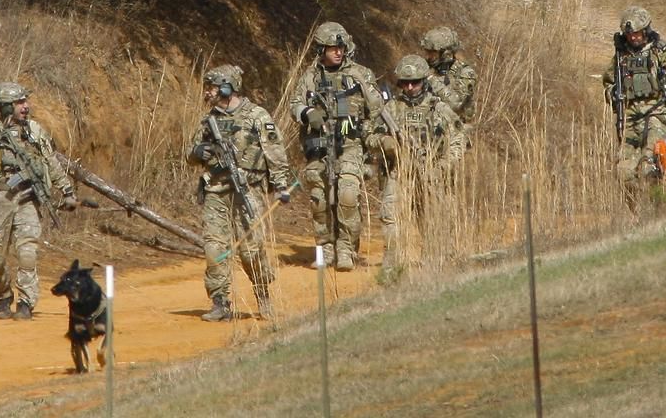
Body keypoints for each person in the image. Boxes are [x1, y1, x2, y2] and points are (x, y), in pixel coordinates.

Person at [187, 65, 293, 322]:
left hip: (249, 190)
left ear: (227, 87)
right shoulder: (208, 120)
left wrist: (280, 186)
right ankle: (220, 302)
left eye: (212, 87)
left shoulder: (256, 116)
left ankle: (262, 292)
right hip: (216, 190)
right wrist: (198, 152)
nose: (208, 92)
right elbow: (191, 153)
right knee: (214, 248)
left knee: (250, 249)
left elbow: (275, 153)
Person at [289, 21, 384, 272]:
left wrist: (371, 138)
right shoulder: (310, 77)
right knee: (320, 199)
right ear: (321, 50)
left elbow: (377, 109)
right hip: (319, 146)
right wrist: (308, 112)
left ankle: (346, 248)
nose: (338, 52)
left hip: (351, 145)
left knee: (347, 195)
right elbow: (294, 105)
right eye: (332, 48)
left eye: (340, 47)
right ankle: (325, 248)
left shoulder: (360, 74)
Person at [0, 81, 78, 320]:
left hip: (28, 198)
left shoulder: (34, 131)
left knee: (27, 254)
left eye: (25, 101)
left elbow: (51, 162)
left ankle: (26, 302)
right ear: (6, 107)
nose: (25, 107)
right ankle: (3, 297)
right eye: (19, 103)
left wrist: (67, 190)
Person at [366, 55, 466, 278]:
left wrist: (441, 167)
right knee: (390, 217)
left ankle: (435, 265)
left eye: (415, 82)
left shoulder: (438, 109)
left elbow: (460, 141)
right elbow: (370, 136)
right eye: (404, 83)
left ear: (424, 81)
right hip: (398, 173)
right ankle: (392, 267)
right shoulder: (390, 108)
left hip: (430, 172)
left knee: (433, 221)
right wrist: (386, 143)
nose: (409, 87)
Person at [602, 6, 666, 205]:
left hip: (657, 115)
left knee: (648, 166)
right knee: (622, 172)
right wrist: (613, 93)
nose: (634, 38)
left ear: (645, 30)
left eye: (637, 33)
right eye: (630, 34)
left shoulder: (662, 53)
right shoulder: (621, 58)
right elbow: (608, 83)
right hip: (630, 118)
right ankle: (639, 212)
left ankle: (655, 208)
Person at [419, 27, 478, 123]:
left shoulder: (466, 73)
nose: (428, 56)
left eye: (432, 53)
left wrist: (432, 81)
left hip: (456, 129)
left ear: (446, 53)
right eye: (427, 52)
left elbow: (456, 104)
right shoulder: (427, 68)